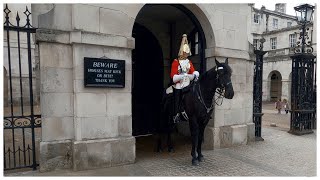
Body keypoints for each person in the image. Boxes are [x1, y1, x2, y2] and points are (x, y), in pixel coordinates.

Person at [170, 34, 199, 123]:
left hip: (188, 82)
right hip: (179, 83)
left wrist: (195, 74)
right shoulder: (176, 62)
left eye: (187, 52)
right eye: (185, 52)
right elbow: (173, 76)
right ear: (181, 52)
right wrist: (182, 75)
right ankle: (176, 114)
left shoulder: (189, 62)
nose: (186, 54)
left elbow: (193, 71)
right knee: (178, 89)